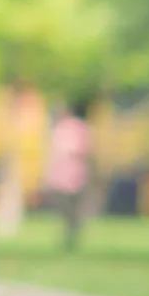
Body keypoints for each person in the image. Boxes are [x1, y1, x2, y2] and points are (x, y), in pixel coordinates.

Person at [45, 98, 97, 250]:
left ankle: (72, 234)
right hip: (66, 175)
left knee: (72, 209)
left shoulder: (74, 128)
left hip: (73, 175)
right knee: (67, 209)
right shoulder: (66, 128)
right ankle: (70, 233)